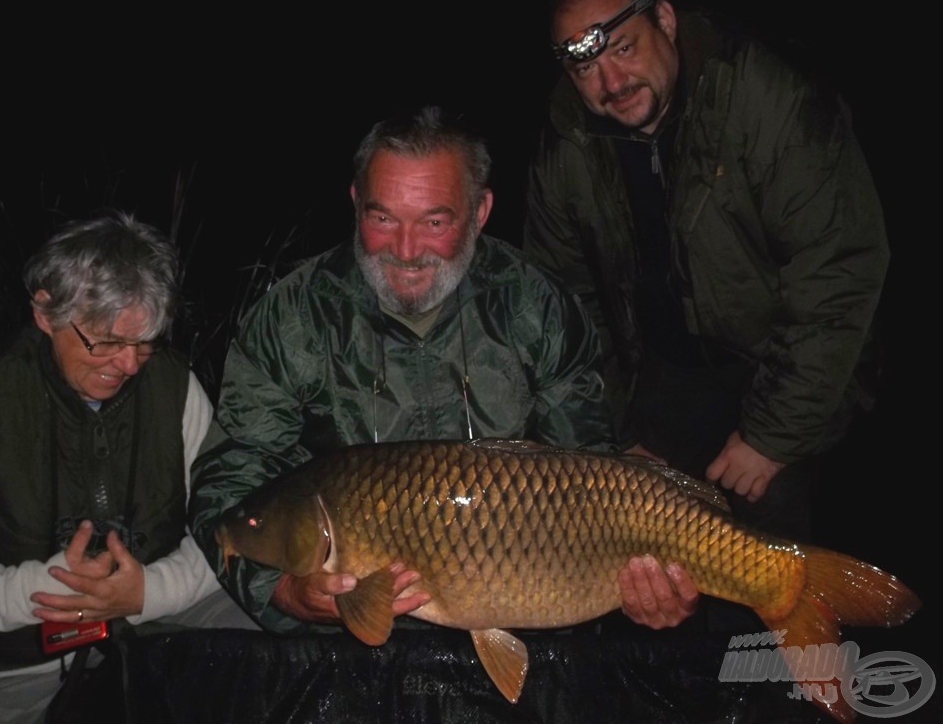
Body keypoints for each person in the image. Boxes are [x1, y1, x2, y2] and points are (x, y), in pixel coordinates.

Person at [190, 105, 698, 637]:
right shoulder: (293, 317)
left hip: (520, 607)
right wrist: (281, 594)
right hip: (345, 632)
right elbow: (230, 485)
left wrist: (648, 583)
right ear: (355, 203)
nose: (405, 251)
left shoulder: (534, 307)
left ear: (479, 213)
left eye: (434, 221)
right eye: (382, 218)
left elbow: (589, 476)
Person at [525, 0, 889, 542]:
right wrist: (617, 435)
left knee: (772, 559)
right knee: (640, 558)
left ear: (664, 22)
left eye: (624, 47)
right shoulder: (565, 142)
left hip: (780, 362)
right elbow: (564, 303)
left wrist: (771, 438)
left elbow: (837, 269)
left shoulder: (766, 95)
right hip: (663, 375)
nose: (612, 81)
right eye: (586, 67)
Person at [0, 211, 255, 724]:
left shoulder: (175, 386)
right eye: (107, 341)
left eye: (145, 342)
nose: (130, 365)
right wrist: (54, 589)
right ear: (44, 312)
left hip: (150, 625)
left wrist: (148, 590)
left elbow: (229, 523)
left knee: (272, 637)